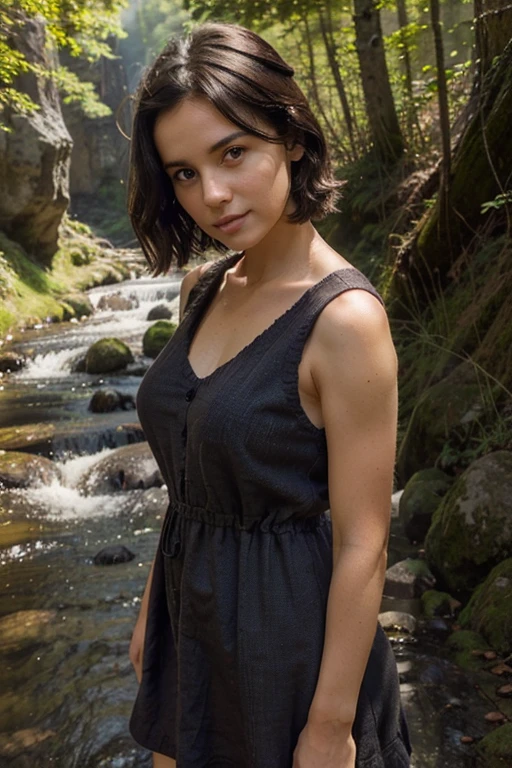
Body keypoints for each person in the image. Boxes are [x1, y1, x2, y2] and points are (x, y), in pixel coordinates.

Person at [127, 21, 412, 768]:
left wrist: (329, 727)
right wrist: (154, 609)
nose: (211, 194)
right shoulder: (204, 286)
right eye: (183, 173)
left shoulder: (345, 321)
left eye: (233, 153)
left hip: (291, 647)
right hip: (191, 624)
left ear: (289, 136)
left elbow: (363, 542)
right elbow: (189, 478)